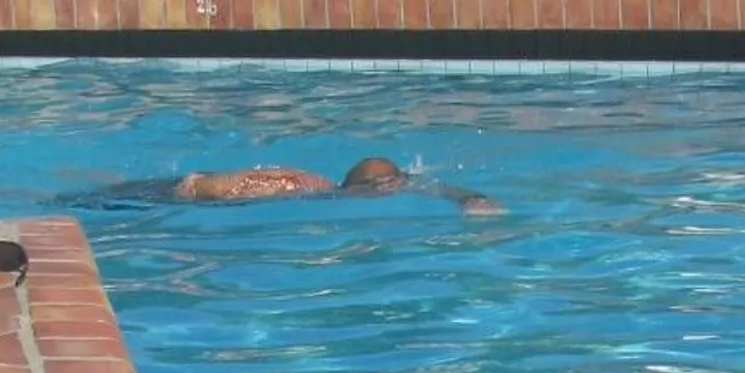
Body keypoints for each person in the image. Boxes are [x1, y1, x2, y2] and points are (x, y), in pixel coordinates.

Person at [152, 156, 502, 216]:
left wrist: (473, 199)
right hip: (170, 193)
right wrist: (198, 190)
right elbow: (201, 185)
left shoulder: (358, 189)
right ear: (380, 187)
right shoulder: (308, 186)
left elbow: (434, 187)